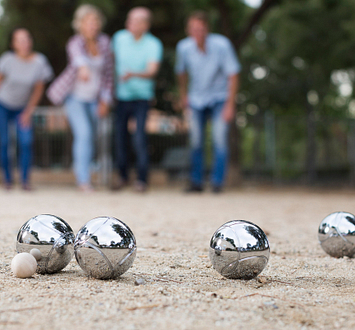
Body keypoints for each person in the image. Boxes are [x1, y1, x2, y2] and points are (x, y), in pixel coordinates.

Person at [47, 4, 113, 192]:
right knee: (83, 134)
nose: (93, 25)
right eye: (88, 21)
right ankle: (83, 181)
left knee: (92, 136)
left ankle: (87, 174)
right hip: (74, 97)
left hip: (95, 98)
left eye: (95, 21)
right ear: (81, 24)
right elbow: (78, 59)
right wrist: (83, 68)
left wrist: (105, 100)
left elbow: (108, 74)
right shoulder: (75, 42)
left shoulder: (105, 43)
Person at [175, 11, 241, 193]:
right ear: (189, 30)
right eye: (194, 29)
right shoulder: (184, 48)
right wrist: (183, 96)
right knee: (196, 141)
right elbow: (181, 73)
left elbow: (233, 75)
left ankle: (217, 183)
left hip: (220, 98)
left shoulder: (222, 45)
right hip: (196, 99)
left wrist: (230, 104)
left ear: (207, 29)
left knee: (219, 140)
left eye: (201, 29)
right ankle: (196, 182)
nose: (198, 32)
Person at [112, 7, 163, 192]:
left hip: (142, 97)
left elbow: (152, 71)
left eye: (134, 20)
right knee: (119, 137)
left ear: (145, 25)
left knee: (139, 137)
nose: (129, 23)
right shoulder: (119, 38)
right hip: (121, 96)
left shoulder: (153, 44)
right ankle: (122, 176)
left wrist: (133, 74)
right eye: (129, 19)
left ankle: (142, 179)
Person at [0, 28, 53, 190]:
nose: (24, 42)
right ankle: (7, 179)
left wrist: (28, 111)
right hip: (3, 104)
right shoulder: (7, 60)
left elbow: (38, 89)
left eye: (27, 38)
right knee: (3, 142)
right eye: (20, 40)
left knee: (26, 141)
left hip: (23, 107)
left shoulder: (40, 62)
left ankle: (25, 181)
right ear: (13, 44)